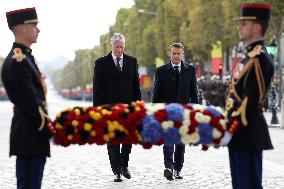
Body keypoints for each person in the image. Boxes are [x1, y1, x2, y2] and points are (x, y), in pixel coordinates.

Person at [1, 7, 55, 189]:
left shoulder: (25, 58)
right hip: (30, 134)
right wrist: (47, 127)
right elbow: (30, 101)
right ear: (21, 28)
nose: (38, 30)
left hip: (29, 136)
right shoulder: (18, 61)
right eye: (34, 25)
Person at [225, 3, 274, 189]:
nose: (240, 27)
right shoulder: (249, 57)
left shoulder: (259, 59)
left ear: (256, 27)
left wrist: (232, 125)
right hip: (239, 134)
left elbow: (250, 101)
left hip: (247, 131)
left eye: (244, 23)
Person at [93, 33, 141, 182]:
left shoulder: (132, 62)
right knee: (113, 141)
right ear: (111, 46)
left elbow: (136, 87)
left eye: (122, 46)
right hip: (109, 109)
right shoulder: (101, 63)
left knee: (127, 139)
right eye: (117, 46)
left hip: (128, 109)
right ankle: (116, 171)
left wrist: (138, 107)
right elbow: (97, 89)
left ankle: (124, 165)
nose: (120, 49)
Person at [152, 42, 198, 181]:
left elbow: (194, 93)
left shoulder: (190, 70)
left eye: (179, 53)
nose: (176, 56)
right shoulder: (160, 71)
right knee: (168, 141)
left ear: (182, 54)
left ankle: (177, 169)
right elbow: (156, 94)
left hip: (183, 113)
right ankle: (168, 167)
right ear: (169, 54)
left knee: (180, 143)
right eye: (174, 53)